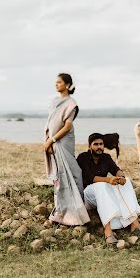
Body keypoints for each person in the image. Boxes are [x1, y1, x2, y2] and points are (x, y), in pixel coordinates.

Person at [77, 132, 140, 244]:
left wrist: (121, 177)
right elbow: (89, 177)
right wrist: (108, 180)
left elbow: (115, 169)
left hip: (103, 191)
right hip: (89, 195)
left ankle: (135, 224)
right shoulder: (83, 157)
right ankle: (108, 232)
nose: (99, 147)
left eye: (101, 144)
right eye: (96, 144)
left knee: (126, 182)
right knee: (101, 186)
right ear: (89, 146)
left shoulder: (106, 157)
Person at [43, 73, 89, 226]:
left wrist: (52, 140)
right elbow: (50, 122)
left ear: (67, 85)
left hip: (63, 141)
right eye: (55, 82)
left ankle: (77, 212)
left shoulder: (71, 103)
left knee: (73, 173)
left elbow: (67, 125)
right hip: (53, 142)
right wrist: (48, 141)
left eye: (59, 82)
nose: (56, 84)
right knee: (59, 175)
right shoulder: (54, 101)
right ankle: (60, 212)